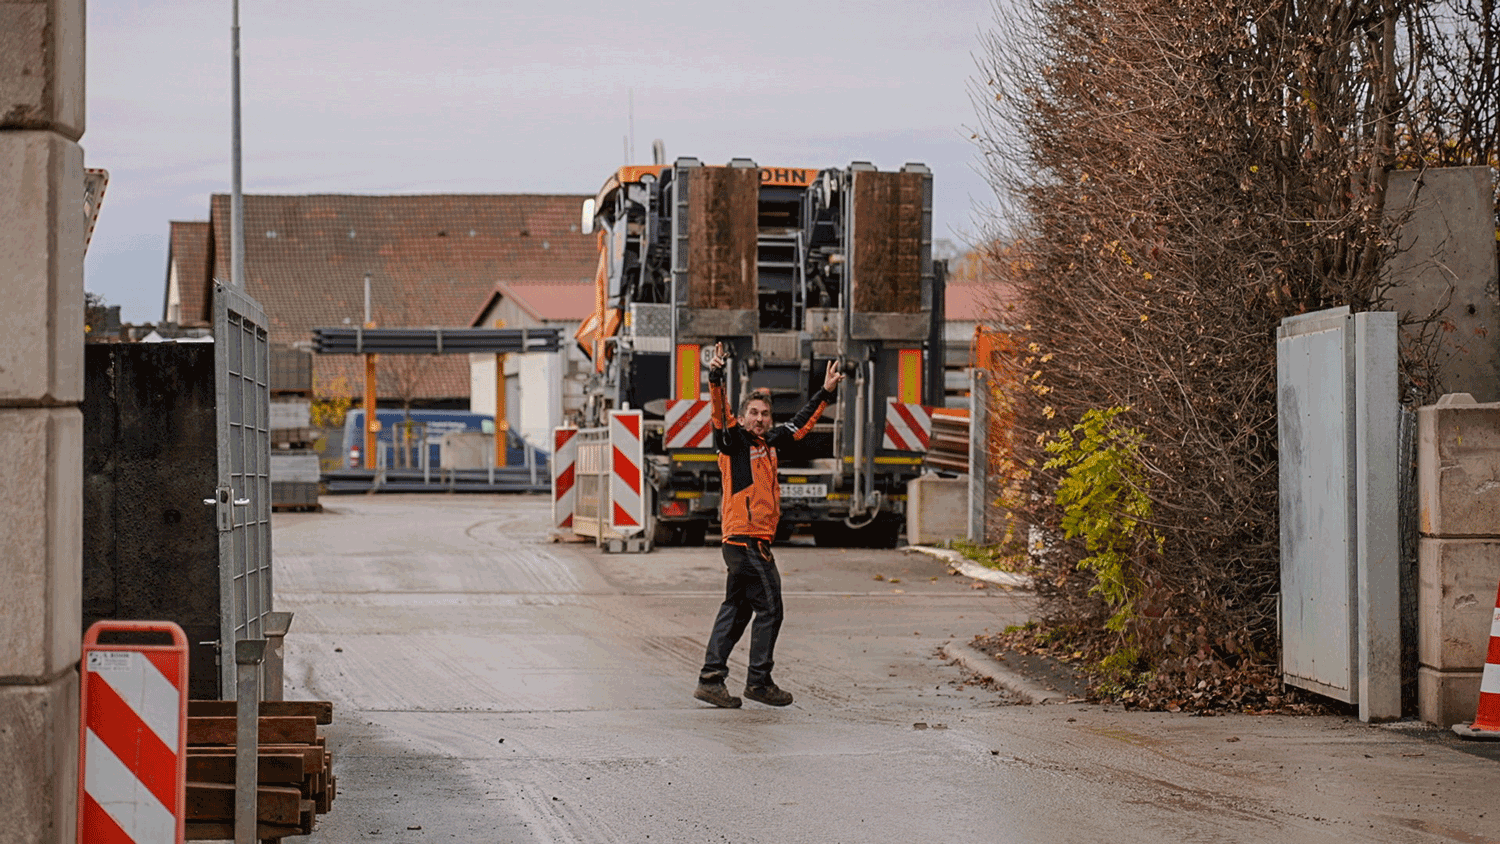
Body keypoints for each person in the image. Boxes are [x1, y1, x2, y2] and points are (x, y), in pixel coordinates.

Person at [694, 342, 845, 708]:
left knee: (738, 609)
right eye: (753, 413)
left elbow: (800, 425)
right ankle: (758, 682)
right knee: (771, 608)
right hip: (746, 541)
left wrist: (824, 393)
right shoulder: (735, 443)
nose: (759, 419)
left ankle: (710, 679)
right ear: (743, 418)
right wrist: (714, 376)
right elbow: (719, 413)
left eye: (764, 414)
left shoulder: (770, 442)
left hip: (746, 541)